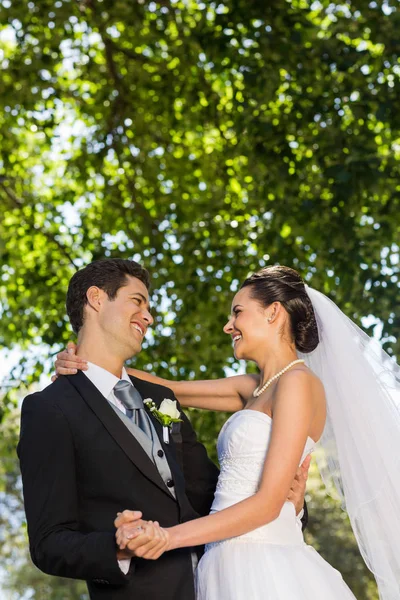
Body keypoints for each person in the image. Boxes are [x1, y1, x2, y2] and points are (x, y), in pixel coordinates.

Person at [58, 264, 400, 599]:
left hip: (262, 561)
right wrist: (82, 361)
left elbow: (267, 504)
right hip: (223, 561)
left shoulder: (297, 383)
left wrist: (168, 537)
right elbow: (168, 387)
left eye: (237, 312)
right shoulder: (256, 387)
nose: (228, 325)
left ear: (274, 313)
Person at [19, 259, 308, 600]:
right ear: (96, 299)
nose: (149, 316)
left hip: (223, 585)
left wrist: (293, 505)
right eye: (137, 301)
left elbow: (215, 493)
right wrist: (118, 547)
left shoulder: (161, 398)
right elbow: (48, 542)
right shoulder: (50, 409)